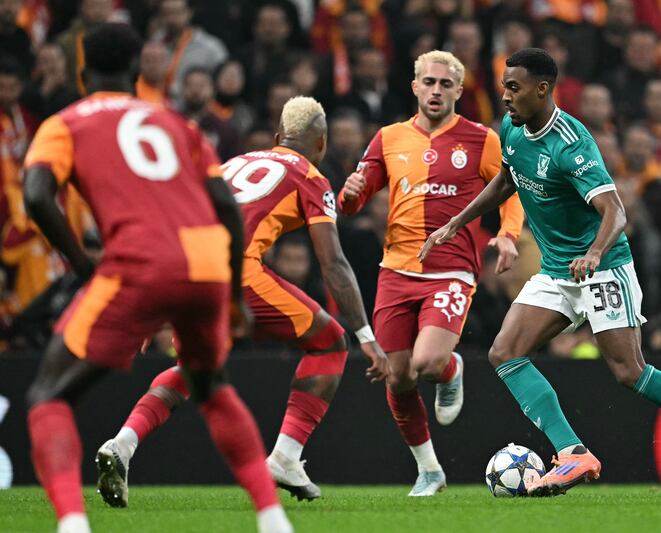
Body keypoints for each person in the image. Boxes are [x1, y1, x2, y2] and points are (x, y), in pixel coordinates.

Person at [420, 47, 661, 498]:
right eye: (505, 86)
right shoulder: (512, 127)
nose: (504, 96)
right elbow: (507, 179)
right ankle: (573, 453)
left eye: (513, 87)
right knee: (503, 352)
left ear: (542, 89)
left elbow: (616, 211)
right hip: (557, 270)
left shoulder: (572, 143)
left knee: (629, 371)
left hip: (602, 268)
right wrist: (456, 221)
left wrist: (595, 253)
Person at [22, 23, 291, 533]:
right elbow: (227, 212)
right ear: (134, 73)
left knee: (48, 397)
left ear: (82, 73)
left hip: (139, 262)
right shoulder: (176, 123)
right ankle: (272, 518)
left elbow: (36, 195)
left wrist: (84, 267)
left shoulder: (65, 122)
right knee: (210, 386)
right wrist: (231, 294)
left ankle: (72, 524)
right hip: (206, 263)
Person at [97, 96, 388, 505]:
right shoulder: (311, 177)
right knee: (331, 342)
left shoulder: (231, 164)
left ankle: (121, 444)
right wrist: (366, 335)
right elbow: (334, 264)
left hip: (186, 267)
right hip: (236, 272)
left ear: (275, 138)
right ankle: (286, 457)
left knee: (192, 367)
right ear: (321, 144)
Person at [338, 50, 524, 496]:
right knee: (398, 376)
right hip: (395, 271)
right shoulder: (387, 138)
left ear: (459, 91)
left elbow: (512, 191)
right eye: (429, 82)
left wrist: (509, 235)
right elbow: (354, 201)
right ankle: (429, 470)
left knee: (427, 363)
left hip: (452, 270)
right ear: (415, 86)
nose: (436, 91)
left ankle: (449, 368)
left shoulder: (482, 139)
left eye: (445, 84)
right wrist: (349, 194)